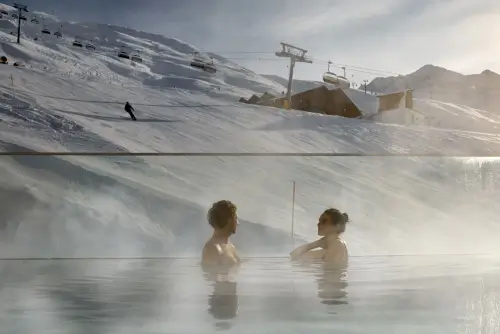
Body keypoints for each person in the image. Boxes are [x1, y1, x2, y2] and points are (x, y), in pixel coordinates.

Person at [201, 200, 241, 269]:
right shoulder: (212, 249)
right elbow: (212, 275)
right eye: (236, 219)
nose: (238, 223)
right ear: (229, 220)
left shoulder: (229, 245)